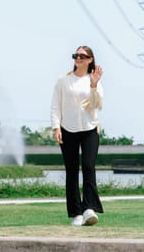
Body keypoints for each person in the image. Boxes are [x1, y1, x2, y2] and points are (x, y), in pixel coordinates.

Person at [50, 45, 104, 227]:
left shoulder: (93, 80)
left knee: (89, 166)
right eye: (76, 55)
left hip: (90, 129)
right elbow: (55, 106)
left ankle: (89, 208)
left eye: (82, 56)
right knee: (72, 171)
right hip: (68, 129)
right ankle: (76, 212)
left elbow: (96, 105)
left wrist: (94, 85)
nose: (78, 58)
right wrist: (56, 127)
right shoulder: (63, 81)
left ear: (90, 59)